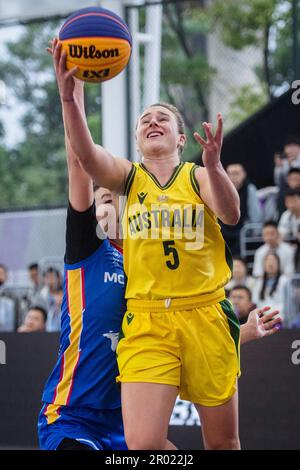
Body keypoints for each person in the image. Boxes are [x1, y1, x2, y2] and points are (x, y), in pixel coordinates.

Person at [52, 40, 265, 451]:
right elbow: (86, 155)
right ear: (136, 139)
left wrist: (216, 167)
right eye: (145, 120)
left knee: (223, 442)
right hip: (148, 319)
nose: (152, 121)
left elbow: (232, 213)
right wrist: (69, 98)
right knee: (143, 445)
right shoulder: (128, 178)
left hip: (205, 312)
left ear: (180, 138)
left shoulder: (197, 176)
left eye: (162, 118)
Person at [37, 54, 127, 450]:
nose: (102, 206)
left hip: (131, 421)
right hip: (72, 417)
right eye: (99, 199)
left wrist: (245, 332)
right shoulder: (89, 248)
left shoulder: (154, 264)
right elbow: (78, 162)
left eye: (110, 197)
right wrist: (74, 91)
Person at [220, 163, 263, 255]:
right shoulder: (221, 189)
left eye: (236, 173)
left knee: (243, 235)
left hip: (243, 227)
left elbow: (255, 214)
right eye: (230, 173)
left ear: (244, 174)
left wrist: (254, 231)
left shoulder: (250, 189)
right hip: (224, 226)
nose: (233, 177)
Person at [252, 252, 288, 320]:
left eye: (273, 261)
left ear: (279, 264)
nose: (270, 264)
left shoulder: (284, 281)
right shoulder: (259, 282)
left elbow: (286, 304)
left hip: (280, 317)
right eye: (267, 261)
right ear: (263, 265)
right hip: (261, 318)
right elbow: (255, 301)